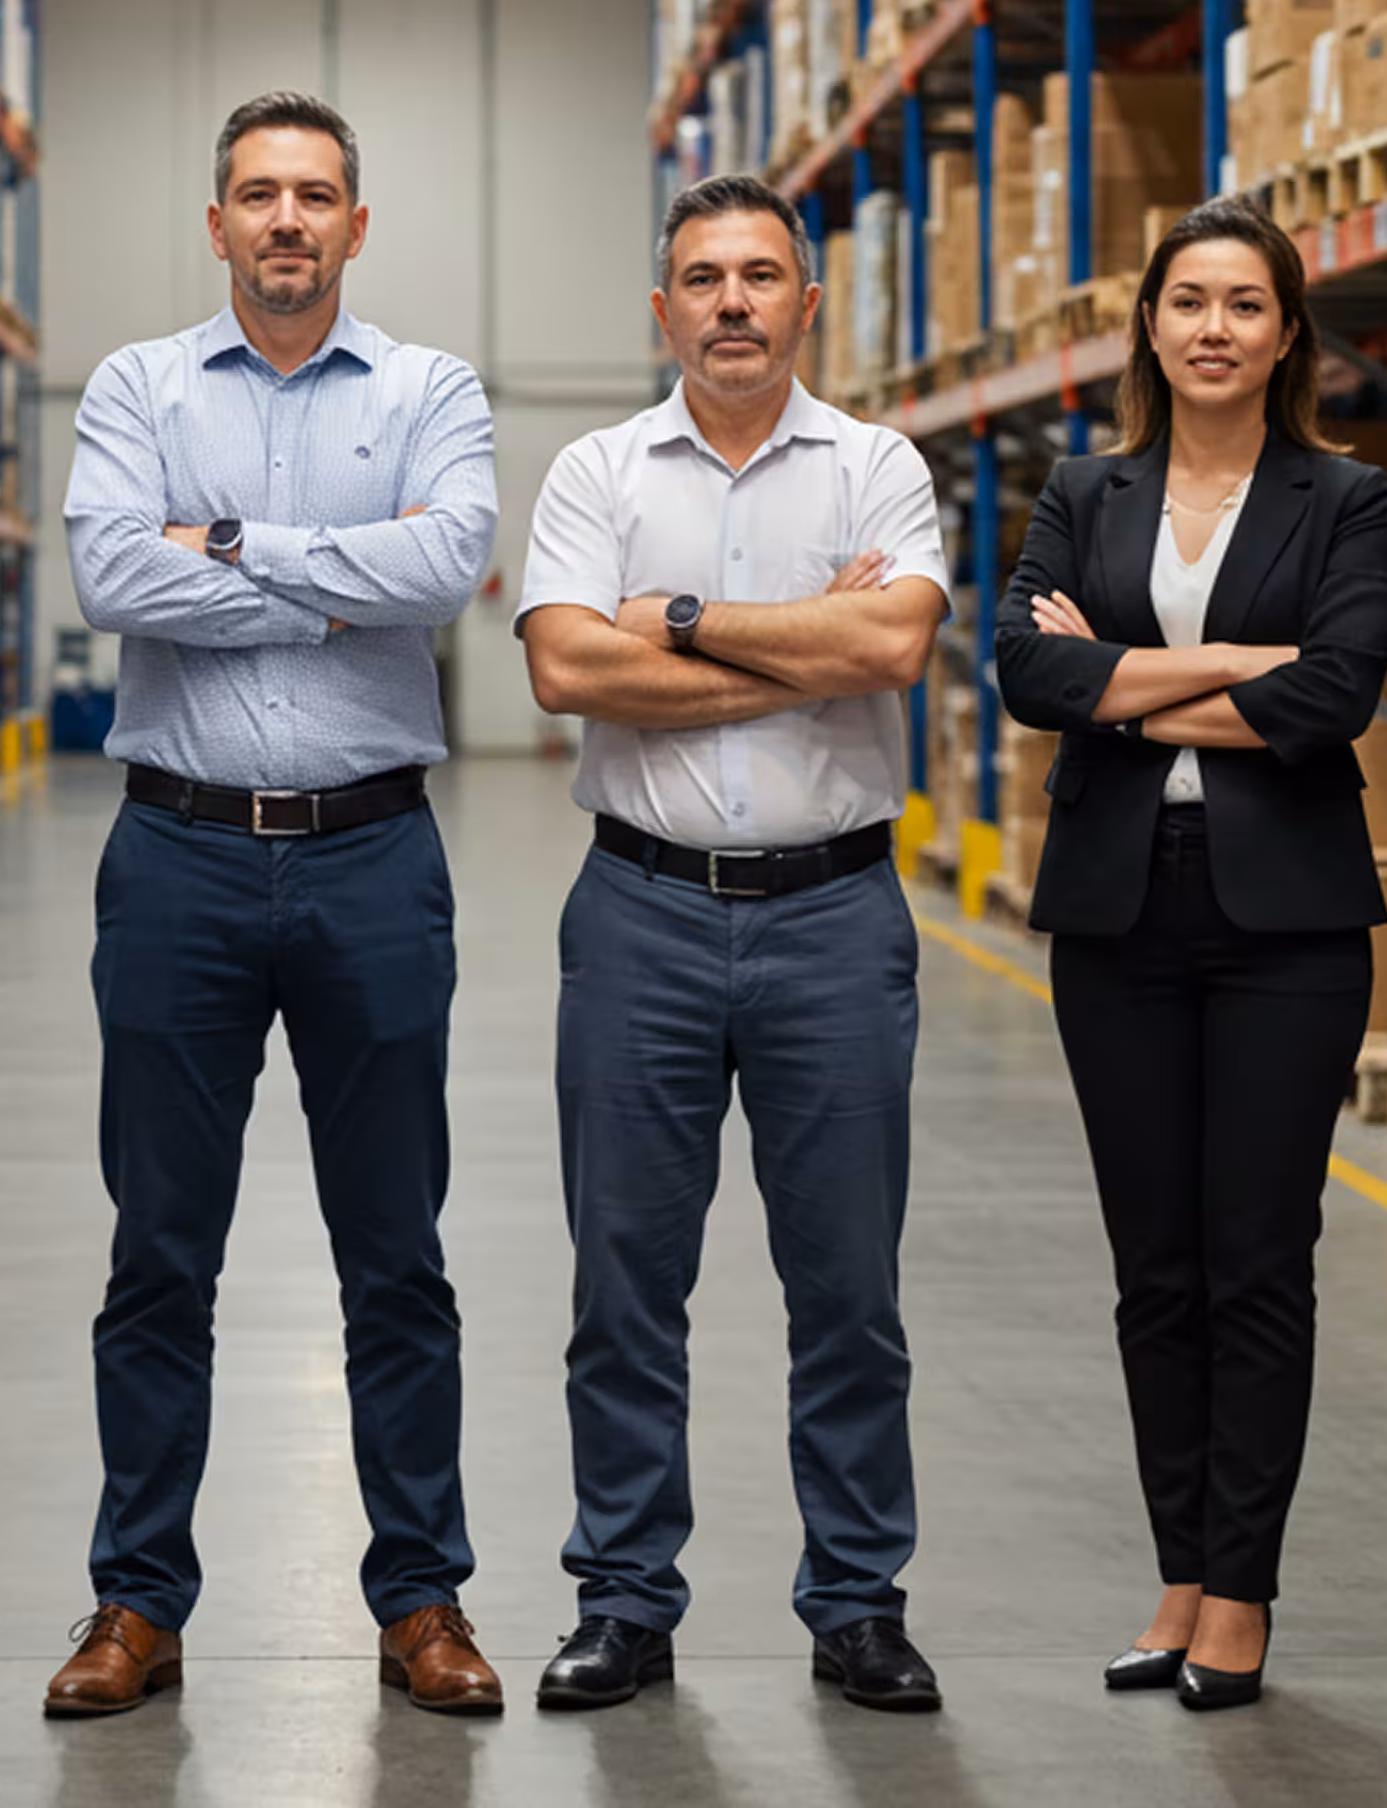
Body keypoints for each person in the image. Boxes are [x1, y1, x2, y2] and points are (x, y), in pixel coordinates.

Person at [44, 90, 505, 1721]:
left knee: (398, 1253)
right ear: (219, 222)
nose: (288, 220)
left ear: (357, 225)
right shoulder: (136, 386)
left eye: (317, 194)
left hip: (376, 855)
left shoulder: (432, 387)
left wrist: (231, 545)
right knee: (160, 1250)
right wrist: (332, 584)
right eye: (259, 194)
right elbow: (112, 578)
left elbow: (446, 566)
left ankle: (423, 1595)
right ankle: (136, 1599)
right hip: (175, 858)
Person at [513, 174, 953, 1717]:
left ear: (808, 302)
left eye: (761, 275)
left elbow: (893, 644)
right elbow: (566, 669)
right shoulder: (595, 466)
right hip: (638, 909)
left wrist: (680, 622)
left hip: (836, 912)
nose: (733, 303)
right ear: (663, 309)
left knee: (849, 1285)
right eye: (703, 278)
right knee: (626, 1281)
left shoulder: (879, 464)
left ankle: (855, 1602)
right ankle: (626, 1599)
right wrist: (794, 644)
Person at [990, 199, 1387, 1714]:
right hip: (1118, 910)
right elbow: (1034, 672)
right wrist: (1241, 668)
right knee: (1154, 1266)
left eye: (1245, 303)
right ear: (1149, 327)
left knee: (1256, 1263)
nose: (1214, 327)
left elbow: (1341, 691)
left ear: (1287, 332)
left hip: (1285, 919)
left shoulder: (1342, 497)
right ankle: (1177, 1566)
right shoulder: (1085, 488)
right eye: (1188, 301)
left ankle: (1243, 1590)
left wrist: (1127, 683)